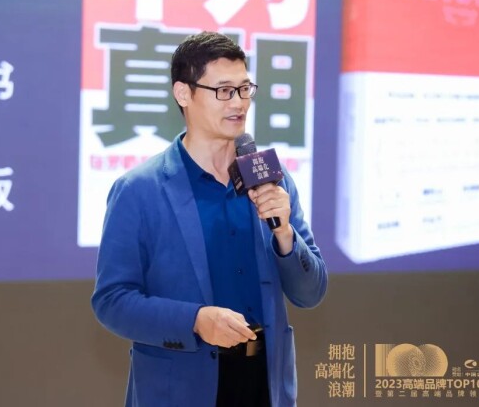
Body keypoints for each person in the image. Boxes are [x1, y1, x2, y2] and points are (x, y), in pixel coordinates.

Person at [91, 31, 328, 407]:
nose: (239, 103)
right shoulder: (139, 190)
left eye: (245, 89)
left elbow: (310, 292)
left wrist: (284, 234)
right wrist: (195, 320)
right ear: (183, 93)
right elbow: (112, 301)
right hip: (181, 390)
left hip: (265, 386)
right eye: (223, 91)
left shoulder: (272, 180)